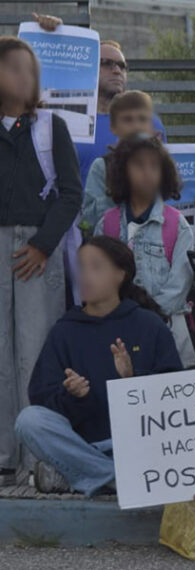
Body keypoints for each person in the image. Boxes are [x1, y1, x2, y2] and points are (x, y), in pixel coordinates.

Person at [15, 236, 181, 494]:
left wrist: (131, 379)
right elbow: (41, 397)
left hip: (140, 445)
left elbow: (177, 397)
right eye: (80, 267)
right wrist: (74, 396)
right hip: (85, 446)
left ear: (120, 274)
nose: (85, 275)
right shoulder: (64, 331)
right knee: (29, 420)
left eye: (96, 267)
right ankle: (114, 479)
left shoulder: (150, 325)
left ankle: (86, 477)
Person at [0, 36, 83, 486]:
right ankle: (4, 458)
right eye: (13, 68)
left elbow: (71, 193)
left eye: (30, 69)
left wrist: (43, 244)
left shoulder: (51, 127)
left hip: (38, 250)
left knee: (35, 349)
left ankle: (40, 461)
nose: (24, 77)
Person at [94, 135, 195, 367]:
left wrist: (147, 318)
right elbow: (99, 280)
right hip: (116, 335)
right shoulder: (106, 224)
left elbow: (180, 285)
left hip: (168, 332)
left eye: (154, 165)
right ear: (122, 171)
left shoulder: (176, 224)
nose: (147, 172)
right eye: (138, 165)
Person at [31, 14, 166, 186]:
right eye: (106, 63)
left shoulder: (149, 123)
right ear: (88, 68)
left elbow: (162, 181)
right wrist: (53, 37)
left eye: (122, 65)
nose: (116, 70)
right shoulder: (61, 118)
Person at [81, 90, 161, 230]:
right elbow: (89, 221)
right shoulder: (102, 167)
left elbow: (171, 208)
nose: (136, 126)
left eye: (142, 119)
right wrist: (119, 179)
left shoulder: (160, 164)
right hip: (111, 245)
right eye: (127, 119)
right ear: (113, 127)